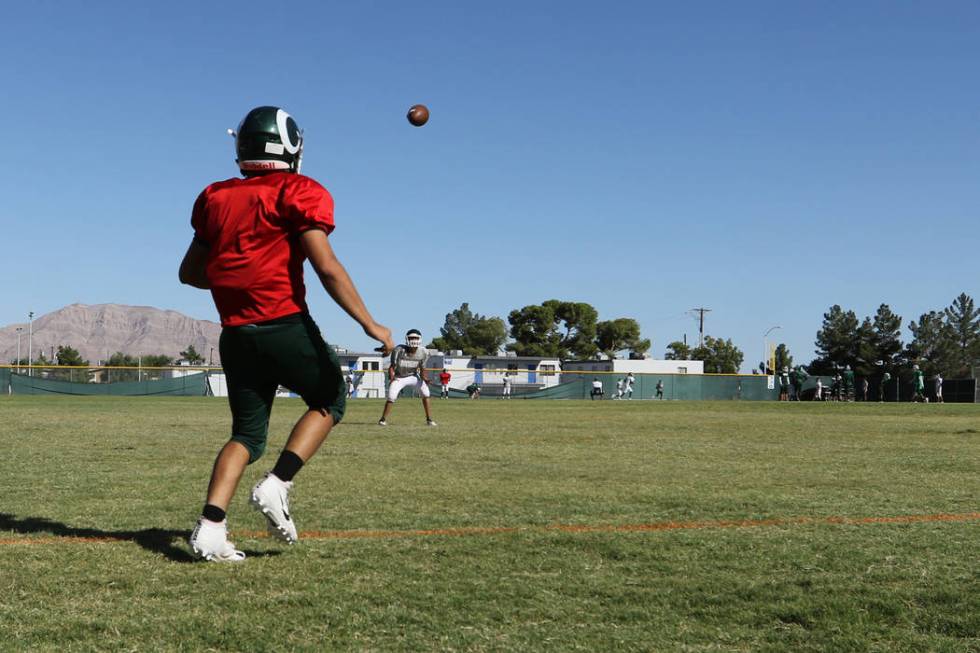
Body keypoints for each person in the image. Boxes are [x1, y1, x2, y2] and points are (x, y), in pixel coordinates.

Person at [179, 106, 393, 562]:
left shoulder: (215, 197)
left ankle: (211, 527)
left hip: (236, 333)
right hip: (284, 324)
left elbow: (191, 273)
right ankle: (277, 485)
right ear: (292, 147)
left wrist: (239, 275)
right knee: (330, 399)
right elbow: (327, 267)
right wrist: (370, 324)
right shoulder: (298, 191)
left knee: (247, 436)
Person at [378, 329, 437, 426]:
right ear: (406, 339)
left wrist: (425, 378)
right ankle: (383, 419)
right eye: (411, 338)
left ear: (420, 339)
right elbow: (392, 367)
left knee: (426, 393)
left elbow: (422, 368)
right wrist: (392, 377)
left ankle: (429, 419)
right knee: (391, 396)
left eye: (415, 338)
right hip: (399, 377)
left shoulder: (424, 352)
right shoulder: (399, 350)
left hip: (413, 376)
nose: (413, 340)